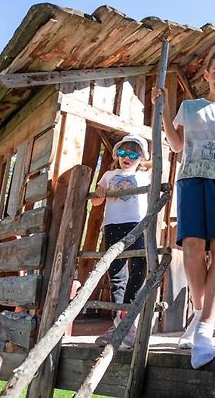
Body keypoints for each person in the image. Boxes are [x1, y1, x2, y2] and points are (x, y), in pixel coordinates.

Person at [152, 48, 215, 369]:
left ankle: (204, 327)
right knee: (191, 246)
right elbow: (177, 145)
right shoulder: (190, 107)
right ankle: (201, 314)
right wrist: (162, 110)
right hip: (191, 180)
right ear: (206, 74)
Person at [92, 134, 150, 348]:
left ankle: (128, 318)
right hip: (113, 225)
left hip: (136, 224)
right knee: (116, 271)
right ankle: (118, 320)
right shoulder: (109, 174)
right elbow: (97, 202)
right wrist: (100, 192)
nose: (127, 157)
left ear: (141, 158)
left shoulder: (146, 177)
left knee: (139, 267)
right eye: (123, 153)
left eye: (133, 154)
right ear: (117, 155)